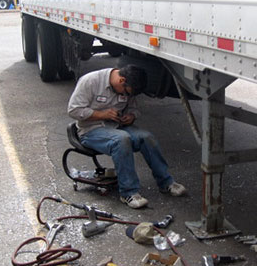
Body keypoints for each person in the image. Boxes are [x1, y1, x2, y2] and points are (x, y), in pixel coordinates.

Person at [68, 65, 186, 208]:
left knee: (146, 137)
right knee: (121, 139)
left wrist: (131, 116)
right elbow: (73, 110)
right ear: (121, 80)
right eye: (126, 92)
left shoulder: (128, 87)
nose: (127, 96)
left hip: (117, 127)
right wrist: (102, 114)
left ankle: (166, 182)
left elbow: (134, 109)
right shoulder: (90, 81)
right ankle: (128, 193)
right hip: (90, 130)